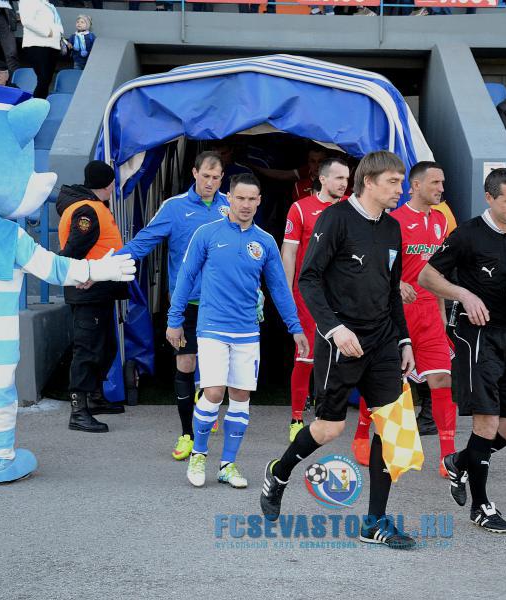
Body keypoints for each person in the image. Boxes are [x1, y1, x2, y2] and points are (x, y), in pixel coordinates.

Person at [259, 151, 417, 550]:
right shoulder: (335, 219)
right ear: (369, 182)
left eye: (401, 182)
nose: (400, 189)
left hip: (383, 341)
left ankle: (374, 522)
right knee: (330, 428)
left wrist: (403, 340)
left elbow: (392, 290)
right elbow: (308, 279)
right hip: (341, 341)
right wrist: (334, 328)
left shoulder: (392, 228)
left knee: (391, 427)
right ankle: (279, 471)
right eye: (393, 182)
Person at [167, 174, 308, 489]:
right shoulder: (207, 233)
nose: (245, 204)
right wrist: (174, 318)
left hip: (247, 331)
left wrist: (295, 326)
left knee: (241, 397)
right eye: (240, 198)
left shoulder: (265, 241)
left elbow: (279, 288)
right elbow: (185, 276)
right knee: (214, 393)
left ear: (259, 201)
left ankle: (227, 465)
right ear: (228, 198)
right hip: (212, 327)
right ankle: (199, 454)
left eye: (251, 199)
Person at [418, 167, 506, 533]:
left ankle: (460, 462)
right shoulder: (467, 235)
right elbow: (427, 276)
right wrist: (464, 294)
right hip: (475, 336)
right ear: (489, 198)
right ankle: (481, 506)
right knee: (487, 421)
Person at [117, 151, 229, 461]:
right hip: (186, 303)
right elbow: (143, 241)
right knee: (186, 364)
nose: (210, 182)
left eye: (215, 177)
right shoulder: (175, 207)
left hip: (222, 305)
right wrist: (104, 267)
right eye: (205, 176)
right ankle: (187, 434)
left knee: (217, 369)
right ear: (194, 173)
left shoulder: (231, 207)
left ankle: (207, 406)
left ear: (222, 178)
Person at [352, 161, 456, 478]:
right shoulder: (392, 221)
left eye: (443, 182)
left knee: (443, 380)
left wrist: (441, 315)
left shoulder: (441, 221)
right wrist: (397, 283)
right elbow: (373, 268)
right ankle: (361, 433)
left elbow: (437, 274)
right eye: (435, 183)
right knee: (386, 381)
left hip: (429, 313)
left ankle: (448, 457)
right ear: (416, 186)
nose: (441, 189)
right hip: (396, 313)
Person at [56, 161, 129, 433]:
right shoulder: (87, 210)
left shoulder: (91, 205)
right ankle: (79, 410)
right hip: (88, 290)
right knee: (87, 349)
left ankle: (95, 397)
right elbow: (74, 249)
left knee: (106, 346)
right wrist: (82, 274)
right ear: (109, 184)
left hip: (99, 290)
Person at [281, 157, 349, 442]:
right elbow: (289, 252)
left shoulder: (351, 208)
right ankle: (297, 417)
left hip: (343, 295)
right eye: (339, 178)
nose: (344, 184)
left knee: (343, 355)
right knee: (306, 355)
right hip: (309, 294)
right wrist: (286, 294)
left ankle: (327, 415)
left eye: (347, 179)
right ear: (322, 179)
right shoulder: (300, 208)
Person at [19, 0, 64, 99]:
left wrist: (61, 38)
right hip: (37, 44)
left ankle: (40, 102)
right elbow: (26, 21)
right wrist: (47, 32)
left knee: (47, 80)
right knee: (43, 78)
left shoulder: (48, 4)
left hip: (53, 46)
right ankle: (36, 103)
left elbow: (55, 23)